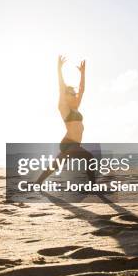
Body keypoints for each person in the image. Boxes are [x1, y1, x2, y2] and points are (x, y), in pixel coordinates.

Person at [36, 55, 95, 184]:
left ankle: (38, 182)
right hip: (69, 143)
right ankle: (93, 186)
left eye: (74, 94)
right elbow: (61, 88)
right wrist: (59, 69)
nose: (75, 95)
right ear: (65, 96)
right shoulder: (64, 107)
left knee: (57, 163)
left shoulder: (75, 107)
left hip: (74, 144)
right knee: (90, 158)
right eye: (71, 94)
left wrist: (83, 74)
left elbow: (82, 89)